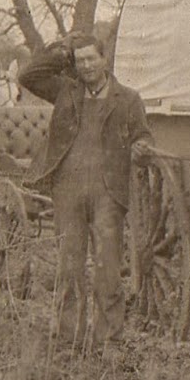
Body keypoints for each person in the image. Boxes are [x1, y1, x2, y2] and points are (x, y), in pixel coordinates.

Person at [19, 31, 153, 355]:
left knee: (108, 269)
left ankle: (109, 342)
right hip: (69, 192)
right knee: (69, 267)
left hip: (108, 193)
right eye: (81, 61)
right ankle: (69, 339)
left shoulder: (129, 99)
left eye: (92, 59)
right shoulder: (66, 90)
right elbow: (28, 75)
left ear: (105, 60)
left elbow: (143, 137)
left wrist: (140, 148)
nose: (87, 66)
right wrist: (64, 51)